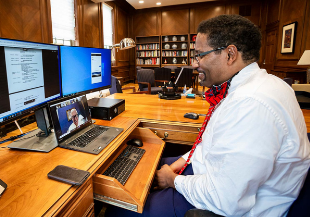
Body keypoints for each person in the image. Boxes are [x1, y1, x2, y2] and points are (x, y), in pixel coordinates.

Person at [106, 15, 310, 217]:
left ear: (230, 54)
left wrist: (172, 180)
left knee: (119, 207)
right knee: (142, 166)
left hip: (223, 207)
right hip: (211, 175)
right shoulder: (255, 86)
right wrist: (180, 163)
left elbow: (227, 199)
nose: (195, 64)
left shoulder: (251, 104)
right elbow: (212, 144)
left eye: (200, 55)